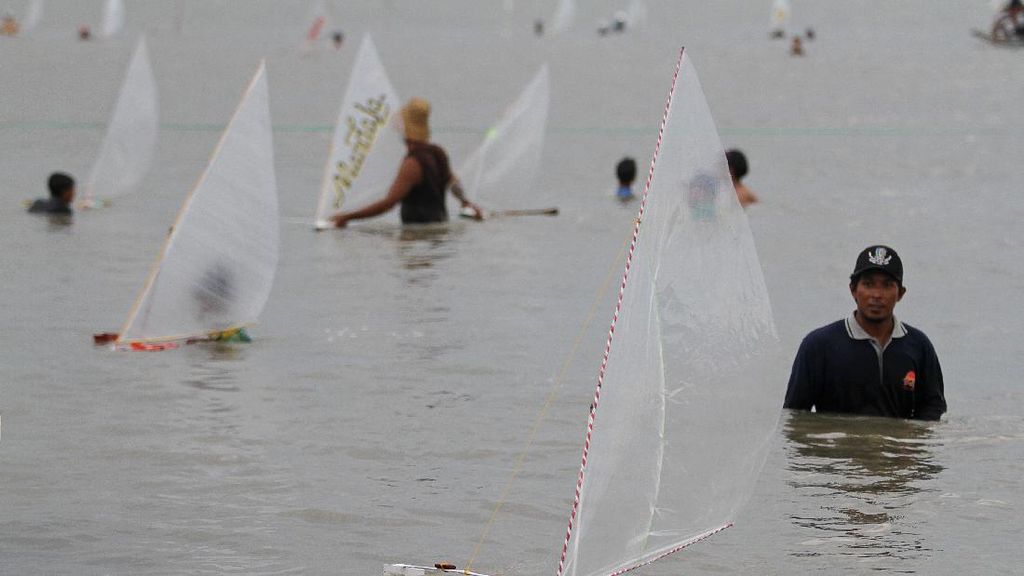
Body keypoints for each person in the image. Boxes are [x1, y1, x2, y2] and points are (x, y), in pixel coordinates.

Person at [784, 245, 947, 421]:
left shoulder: (918, 346)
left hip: (895, 440)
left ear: (900, 293)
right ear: (853, 290)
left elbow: (933, 408)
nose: (877, 295)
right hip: (838, 439)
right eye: (868, 284)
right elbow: (795, 415)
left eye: (887, 285)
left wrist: (911, 437)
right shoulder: (818, 345)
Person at [330, 98, 482, 227]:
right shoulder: (437, 153)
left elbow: (388, 203)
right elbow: (454, 183)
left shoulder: (412, 164)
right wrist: (465, 202)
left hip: (416, 237)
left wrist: (348, 217)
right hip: (438, 231)